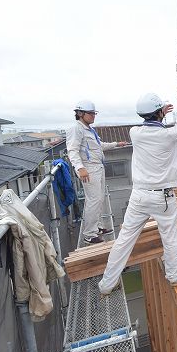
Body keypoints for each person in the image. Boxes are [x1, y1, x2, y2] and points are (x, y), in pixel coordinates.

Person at [98, 90, 177, 295]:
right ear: (159, 112)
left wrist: (161, 112)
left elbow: (160, 125)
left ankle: (106, 284)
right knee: (169, 238)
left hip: (140, 196)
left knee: (124, 240)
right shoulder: (169, 135)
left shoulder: (136, 132)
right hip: (163, 198)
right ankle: (174, 276)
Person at [66, 100, 128, 244]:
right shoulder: (77, 129)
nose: (93, 116)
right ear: (80, 114)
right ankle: (89, 234)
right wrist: (80, 168)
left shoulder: (89, 129)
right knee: (94, 200)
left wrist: (116, 144)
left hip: (97, 168)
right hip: (88, 169)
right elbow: (72, 150)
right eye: (90, 113)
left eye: (94, 113)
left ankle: (97, 227)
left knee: (98, 199)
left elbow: (100, 146)